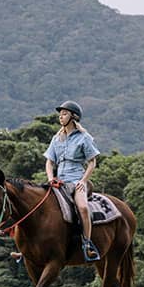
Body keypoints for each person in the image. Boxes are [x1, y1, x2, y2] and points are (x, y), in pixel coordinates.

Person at [45, 100, 101, 262]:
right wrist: (50, 179)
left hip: (76, 181)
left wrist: (83, 181)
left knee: (83, 208)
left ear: (73, 117)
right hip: (58, 182)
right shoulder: (56, 138)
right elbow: (49, 162)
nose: (60, 117)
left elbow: (92, 162)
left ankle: (87, 244)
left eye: (64, 114)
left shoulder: (84, 138)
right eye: (60, 114)